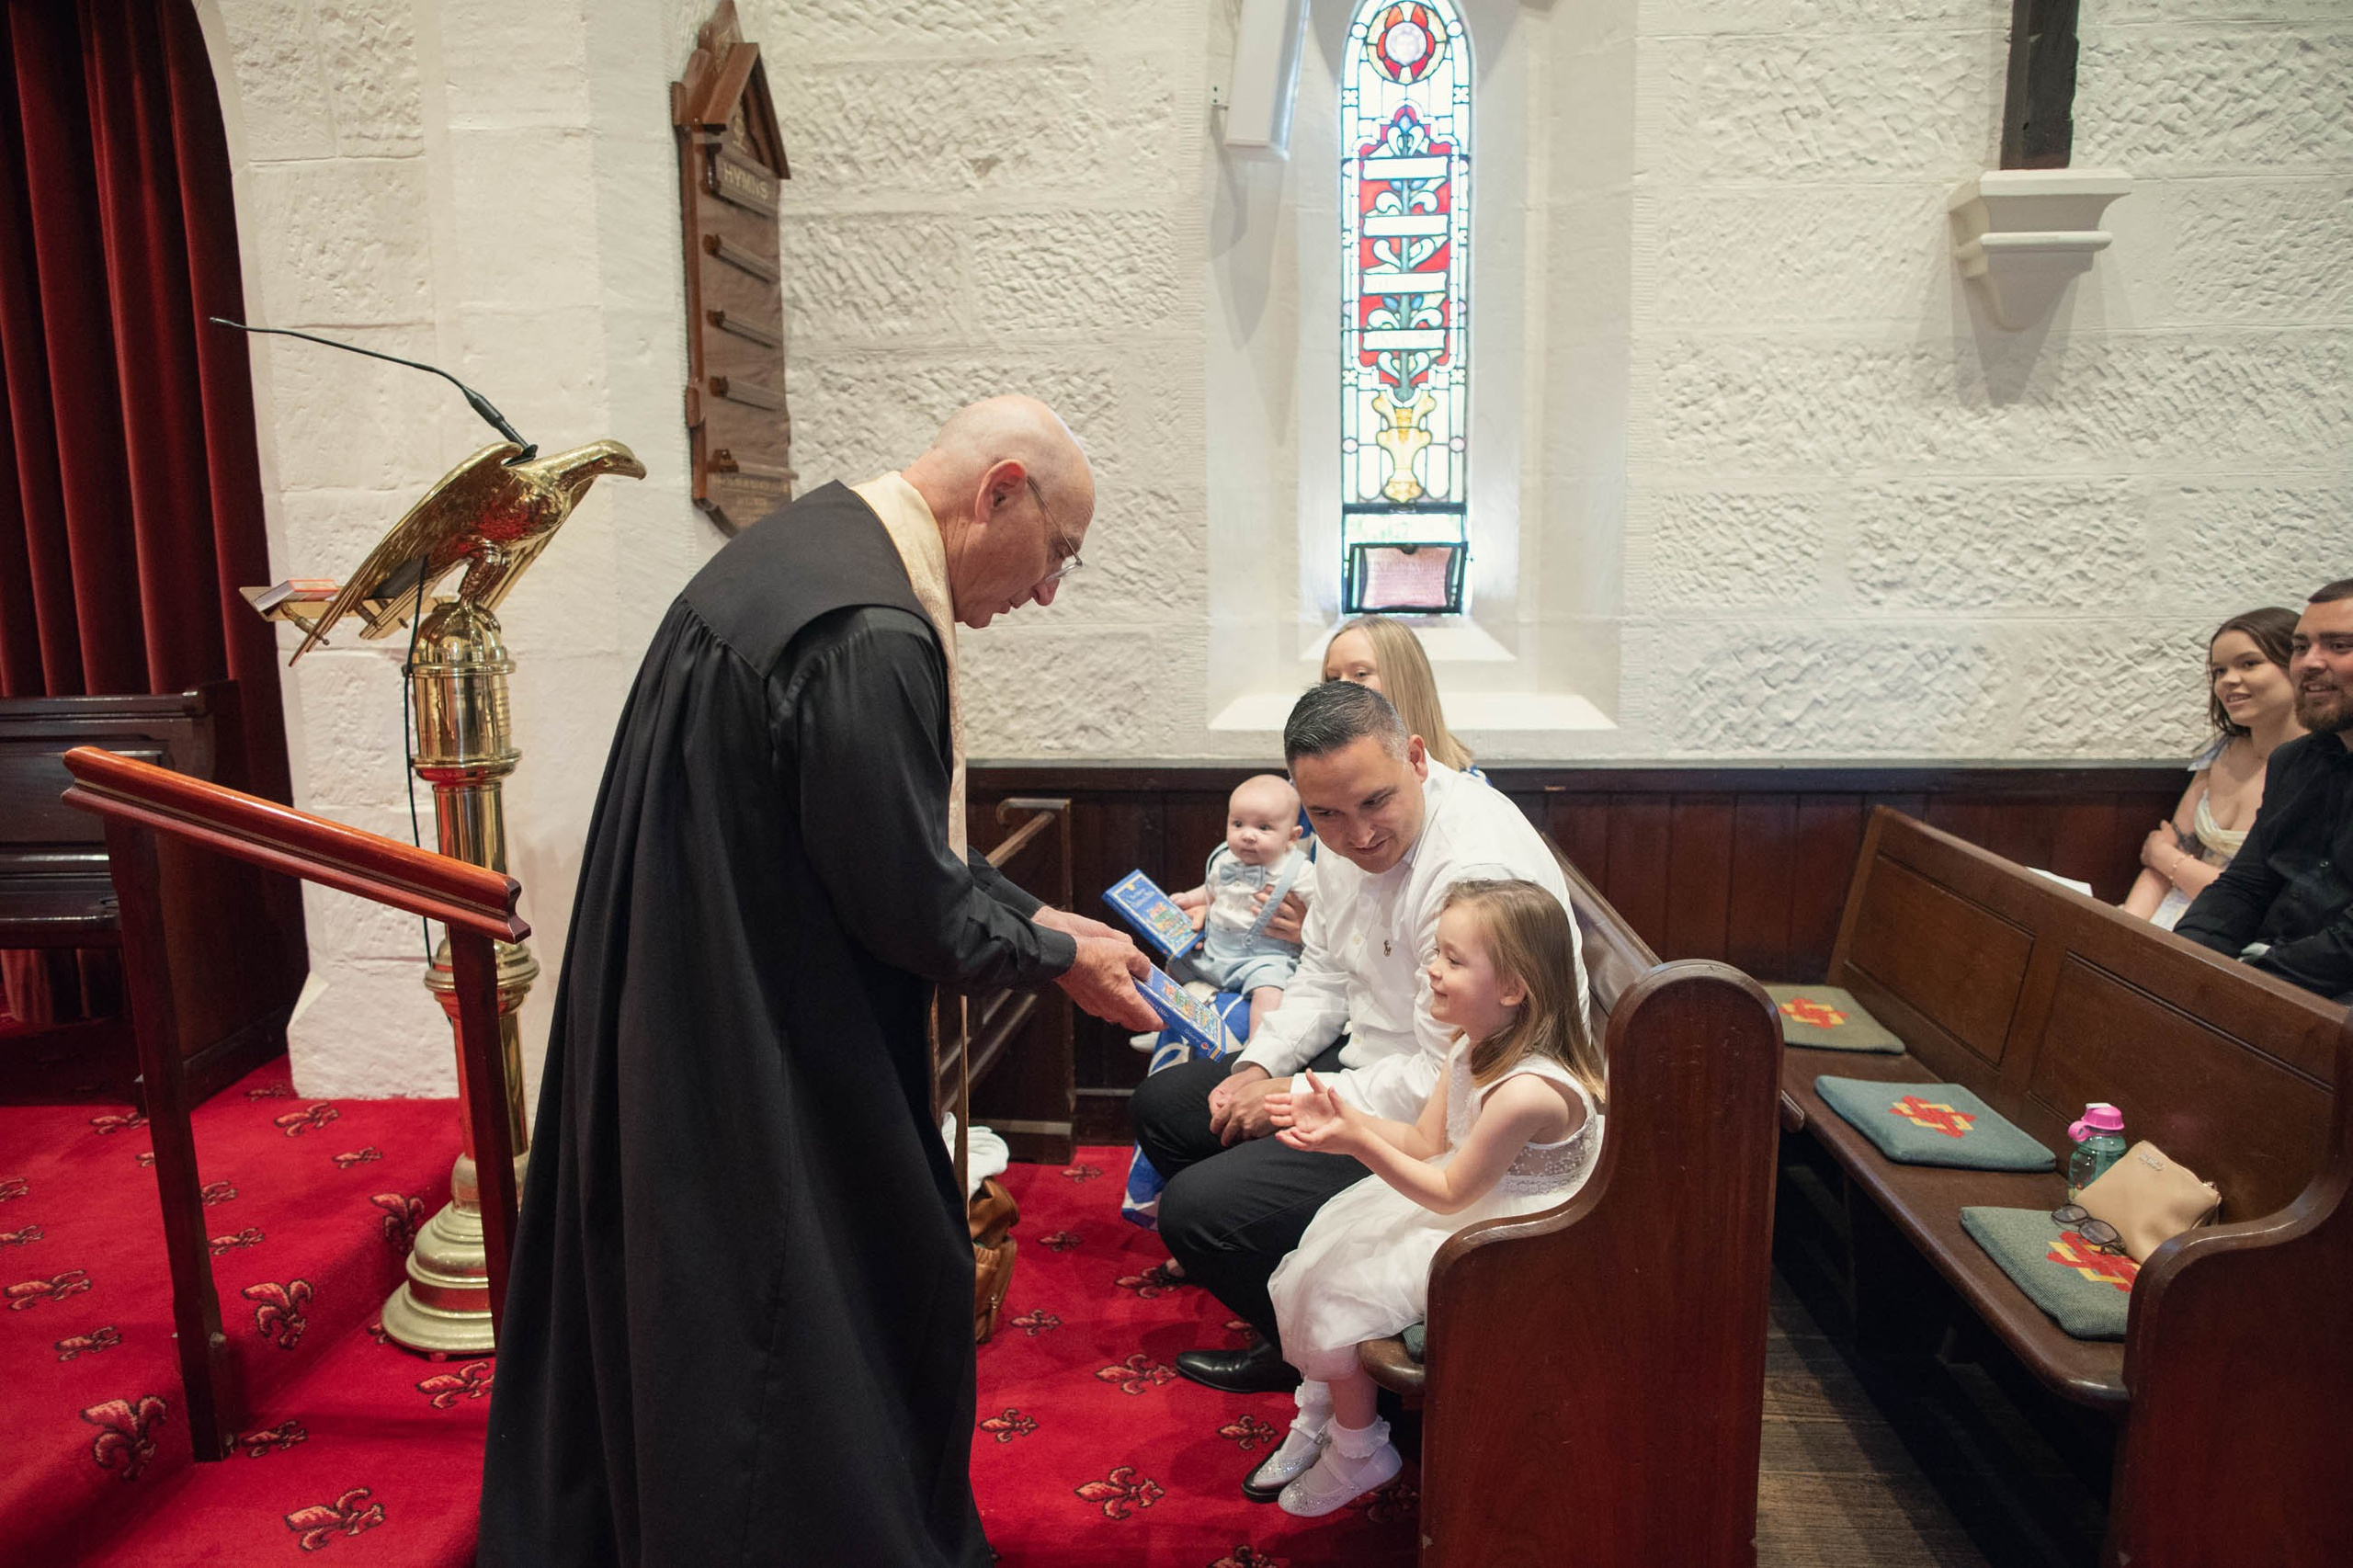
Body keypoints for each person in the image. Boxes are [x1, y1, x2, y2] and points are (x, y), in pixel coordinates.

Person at [477, 396, 1161, 1568]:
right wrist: (1060, 955)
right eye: (1058, 555)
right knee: (803, 1324)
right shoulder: (870, 632)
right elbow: (906, 904)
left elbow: (861, 840)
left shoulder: (806, 550)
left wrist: (1031, 912)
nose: (1047, 592)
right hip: (763, 1045)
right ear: (1000, 491)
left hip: (694, 990)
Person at [1129, 679, 1585, 1394]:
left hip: (1450, 1115)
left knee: (1197, 1212)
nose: (1358, 835)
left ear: (1415, 757)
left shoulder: (1470, 874)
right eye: (1327, 815)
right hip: (1370, 1063)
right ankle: (1291, 1310)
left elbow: (1447, 1076)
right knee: (1172, 1104)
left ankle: (1320, 1361)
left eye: (1376, 802)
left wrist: (1304, 1095)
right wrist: (1260, 1065)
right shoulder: (1335, 835)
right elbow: (1322, 971)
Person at [1254, 880, 1606, 1516]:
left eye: (1451, 959)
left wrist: (1355, 1142)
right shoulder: (1472, 1044)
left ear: (1512, 987)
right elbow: (1422, 1141)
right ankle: (1322, 1417)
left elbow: (1446, 1192)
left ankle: (1361, 1451)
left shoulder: (1529, 1090)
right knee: (1323, 1248)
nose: (1432, 969)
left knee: (1341, 1285)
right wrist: (1344, 1118)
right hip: (1471, 1201)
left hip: (1520, 1241)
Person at [2177, 579, 2353, 1006]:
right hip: (2266, 975)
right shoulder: (2294, 761)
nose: (2310, 663)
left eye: (2338, 645)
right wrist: (2179, 959)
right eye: (2300, 646)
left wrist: (2241, 983)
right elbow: (2244, 886)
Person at [2121, 608, 2304, 929]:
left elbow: (2255, 899)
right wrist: (2126, 927)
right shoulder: (2221, 751)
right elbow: (2159, 863)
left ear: (2297, 665)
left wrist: (2166, 857)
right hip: (2169, 914)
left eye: (2249, 663)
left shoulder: (2320, 771)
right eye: (2219, 671)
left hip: (2238, 935)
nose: (2228, 681)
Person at [1170, 774, 1318, 1025]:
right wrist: (1187, 898)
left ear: (1292, 837)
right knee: (1174, 964)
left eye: (1263, 828)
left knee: (1270, 990)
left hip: (1264, 958)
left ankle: (1258, 1048)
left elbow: (1323, 908)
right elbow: (1211, 889)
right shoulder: (1224, 858)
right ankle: (1165, 1023)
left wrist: (1308, 928)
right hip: (1214, 950)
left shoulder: (1298, 871)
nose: (1248, 835)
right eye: (1238, 824)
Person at [1324, 614, 1476, 775]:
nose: (1339, 688)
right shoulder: (1314, 777)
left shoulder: (1468, 790)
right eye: (1333, 678)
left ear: (1403, 682)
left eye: (1361, 674)